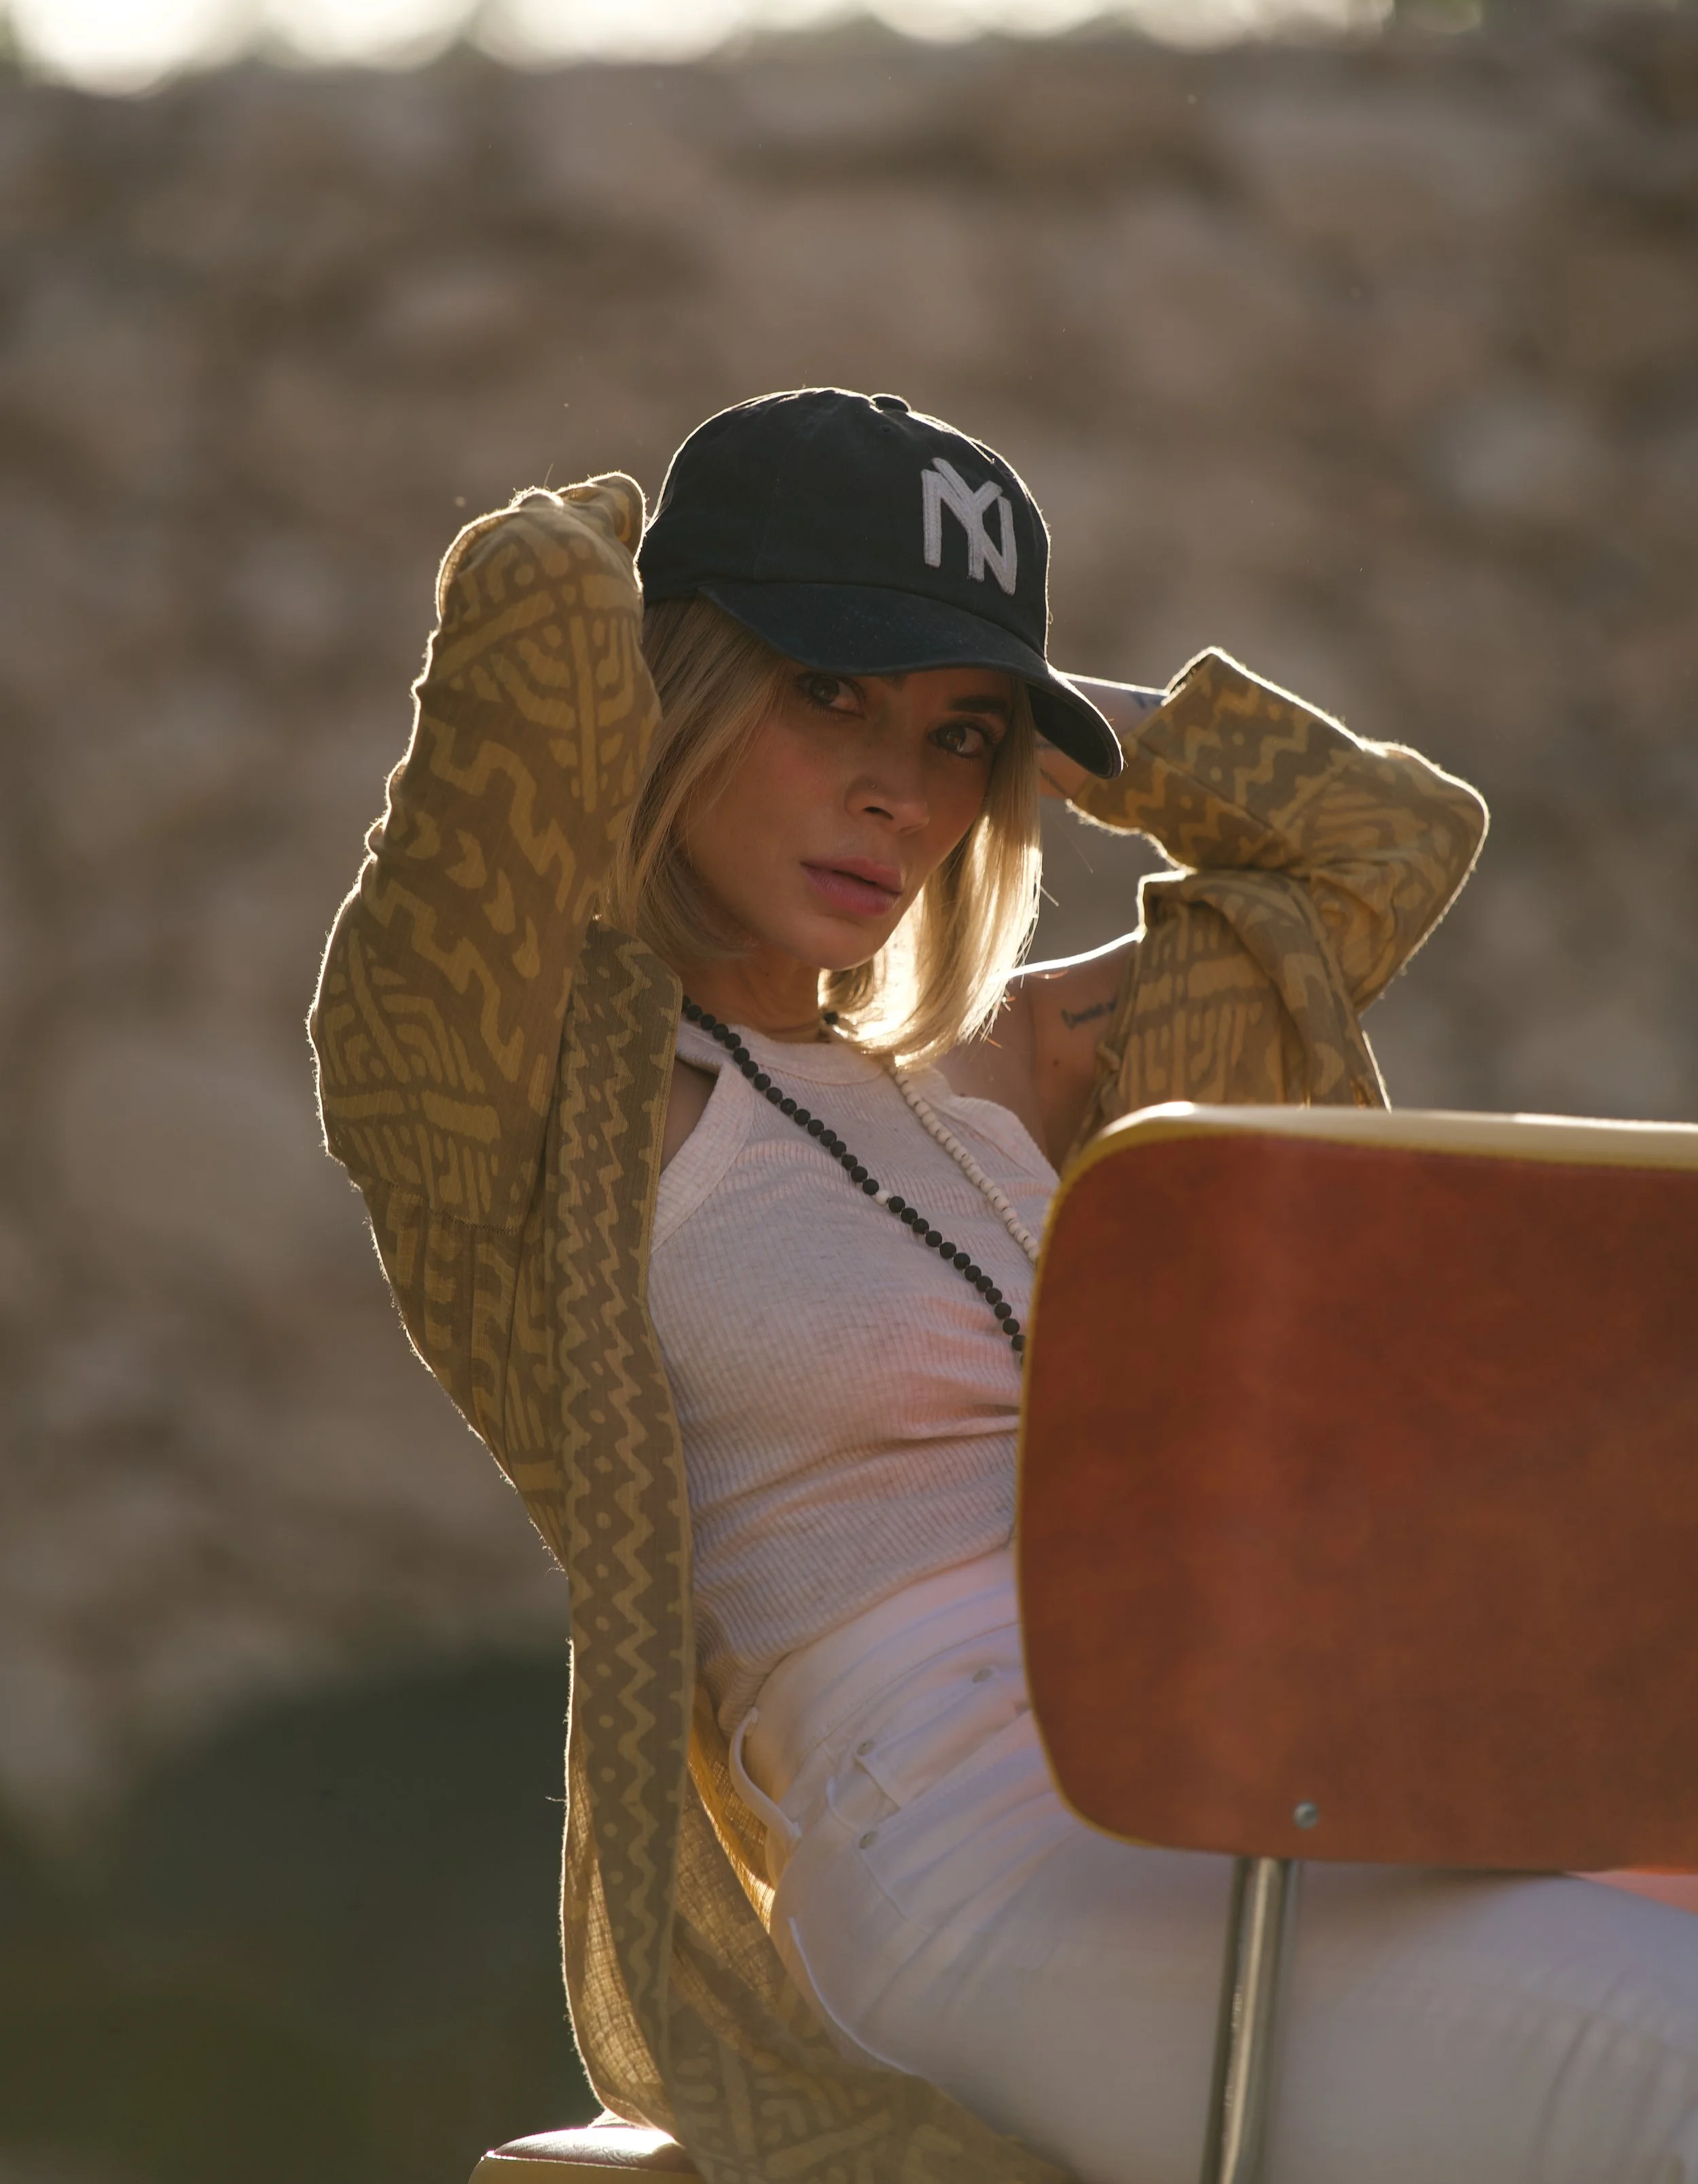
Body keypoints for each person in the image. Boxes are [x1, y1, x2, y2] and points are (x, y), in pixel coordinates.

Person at [310, 387, 1698, 2184]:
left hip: (1271, 1750)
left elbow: (1381, 839)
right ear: (680, 685)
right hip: (949, 1837)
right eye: (825, 695)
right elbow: (526, 611)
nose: (900, 792)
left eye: (953, 739)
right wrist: (638, 586)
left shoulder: (1011, 1061)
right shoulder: (535, 1110)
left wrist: (1042, 712)